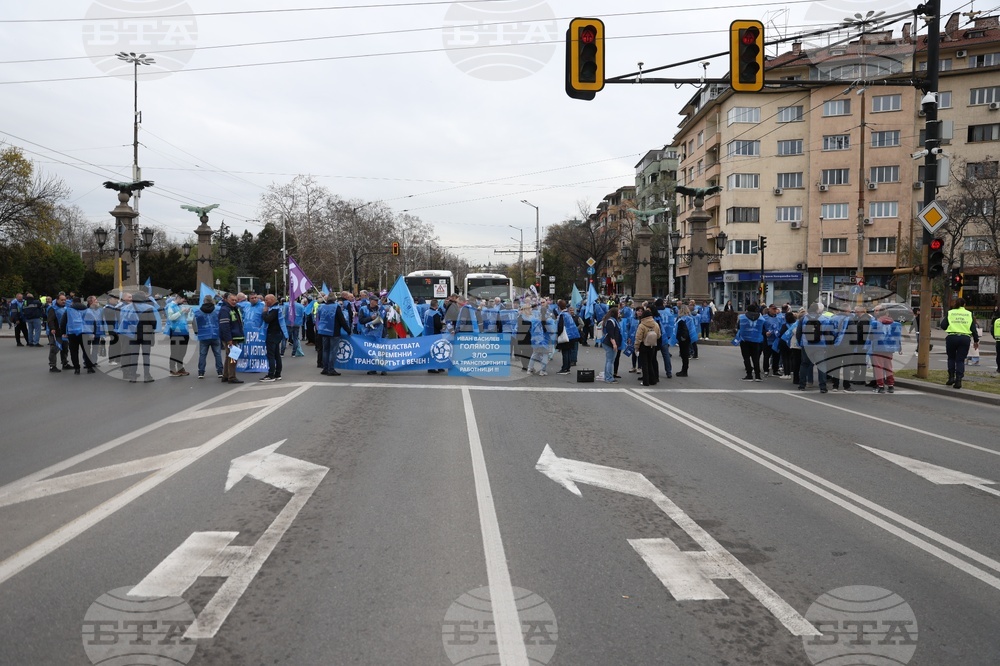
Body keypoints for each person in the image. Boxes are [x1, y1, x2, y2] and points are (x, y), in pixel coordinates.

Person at [940, 297, 980, 390]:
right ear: (964, 305)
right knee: (960, 360)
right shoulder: (969, 314)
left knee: (951, 358)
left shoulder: (951, 312)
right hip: (964, 338)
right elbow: (973, 329)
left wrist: (951, 328)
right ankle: (958, 380)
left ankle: (951, 378)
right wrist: (976, 341)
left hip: (952, 337)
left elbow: (943, 325)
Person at [868, 304, 902, 393]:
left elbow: (870, 337)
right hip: (890, 348)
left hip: (878, 348)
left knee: (878, 368)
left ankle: (880, 386)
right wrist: (899, 347)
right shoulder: (896, 324)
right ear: (887, 314)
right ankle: (891, 385)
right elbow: (898, 337)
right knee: (888, 367)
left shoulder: (874, 324)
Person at [62, 296, 96, 374]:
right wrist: (93, 332)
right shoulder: (87, 310)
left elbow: (63, 321)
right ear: (81, 302)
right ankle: (89, 367)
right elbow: (93, 322)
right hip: (86, 332)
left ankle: (77, 368)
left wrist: (63, 332)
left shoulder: (68, 310)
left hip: (72, 333)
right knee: (86, 351)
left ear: (73, 302)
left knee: (74, 351)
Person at [193, 295, 224, 379]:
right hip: (215, 333)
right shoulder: (217, 309)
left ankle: (201, 372)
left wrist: (196, 332)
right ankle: (220, 371)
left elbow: (194, 322)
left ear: (204, 301)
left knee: (202, 354)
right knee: (217, 354)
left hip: (203, 334)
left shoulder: (197, 311)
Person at [218, 292, 245, 384]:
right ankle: (232, 377)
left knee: (228, 356)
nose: (234, 302)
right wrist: (228, 339)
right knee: (233, 357)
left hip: (234, 336)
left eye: (235, 300)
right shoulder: (225, 310)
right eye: (232, 300)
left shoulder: (234, 308)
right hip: (231, 338)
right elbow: (225, 326)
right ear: (226, 300)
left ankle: (225, 375)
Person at [259, 294, 288, 382]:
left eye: (267, 300)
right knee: (276, 355)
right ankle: (277, 374)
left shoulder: (274, 310)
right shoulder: (278, 308)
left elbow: (267, 319)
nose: (265, 302)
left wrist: (264, 312)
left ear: (272, 300)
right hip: (277, 334)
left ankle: (271, 374)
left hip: (273, 334)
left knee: (271, 355)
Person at [736, 303, 765, 381]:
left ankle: (749, 375)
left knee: (746, 358)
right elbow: (763, 328)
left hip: (745, 340)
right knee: (756, 358)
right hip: (756, 340)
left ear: (747, 310)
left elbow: (738, 327)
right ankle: (758, 376)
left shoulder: (742, 317)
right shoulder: (761, 318)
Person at [165, 293, 191, 377]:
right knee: (175, 351)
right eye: (183, 300)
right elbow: (171, 317)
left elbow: (183, 318)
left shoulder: (180, 306)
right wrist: (181, 311)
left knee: (182, 351)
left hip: (184, 331)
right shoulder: (171, 306)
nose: (184, 302)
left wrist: (186, 313)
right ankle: (172, 369)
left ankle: (180, 367)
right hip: (175, 332)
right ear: (179, 298)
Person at [634, 306, 660, 386]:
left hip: (643, 345)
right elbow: (658, 335)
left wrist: (636, 347)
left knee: (644, 364)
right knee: (650, 362)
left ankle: (646, 381)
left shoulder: (642, 325)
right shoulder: (655, 324)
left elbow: (638, 337)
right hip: (652, 345)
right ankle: (653, 380)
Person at [555, 299, 580, 375]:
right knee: (569, 352)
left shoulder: (562, 315)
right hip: (572, 336)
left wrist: (557, 335)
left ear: (559, 307)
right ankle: (568, 367)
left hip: (565, 336)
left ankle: (564, 368)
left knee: (565, 352)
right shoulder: (568, 314)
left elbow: (560, 327)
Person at [46, 294, 69, 372]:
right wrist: (52, 328)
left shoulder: (66, 308)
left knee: (65, 349)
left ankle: (65, 363)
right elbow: (50, 320)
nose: (63, 301)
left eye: (64, 300)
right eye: (62, 300)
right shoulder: (53, 309)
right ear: (57, 300)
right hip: (56, 332)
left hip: (64, 333)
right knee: (54, 349)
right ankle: (52, 366)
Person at [600, 306, 620, 383]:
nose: (619, 314)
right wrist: (614, 344)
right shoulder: (611, 321)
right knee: (610, 361)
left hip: (609, 343)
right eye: (618, 312)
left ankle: (607, 376)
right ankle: (609, 377)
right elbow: (611, 334)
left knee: (609, 360)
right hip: (610, 343)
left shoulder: (611, 320)